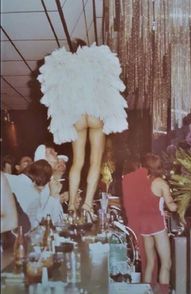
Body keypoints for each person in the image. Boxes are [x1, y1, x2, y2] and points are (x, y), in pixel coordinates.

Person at [37, 40, 128, 217]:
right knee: (95, 162)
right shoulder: (95, 61)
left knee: (77, 162)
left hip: (77, 115)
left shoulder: (66, 66)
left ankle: (71, 205)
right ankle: (86, 205)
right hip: (95, 113)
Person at [122, 153, 177, 294]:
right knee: (166, 263)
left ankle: (145, 291)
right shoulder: (160, 182)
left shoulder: (140, 181)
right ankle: (164, 292)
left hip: (144, 226)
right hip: (157, 225)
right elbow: (171, 206)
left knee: (150, 262)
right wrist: (180, 204)